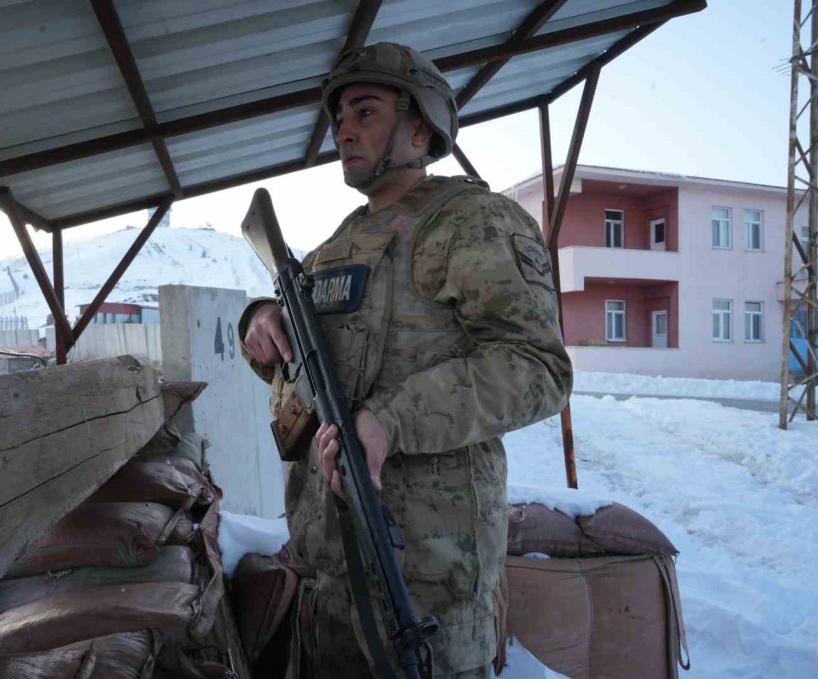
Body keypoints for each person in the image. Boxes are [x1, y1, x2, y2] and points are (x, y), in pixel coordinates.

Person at [238, 42, 573, 678]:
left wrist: (391, 421)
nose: (344, 128)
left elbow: (538, 369)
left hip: (424, 588)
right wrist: (259, 320)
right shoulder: (340, 243)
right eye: (339, 117)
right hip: (327, 582)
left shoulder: (472, 222)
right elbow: (300, 357)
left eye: (365, 111)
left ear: (420, 128)